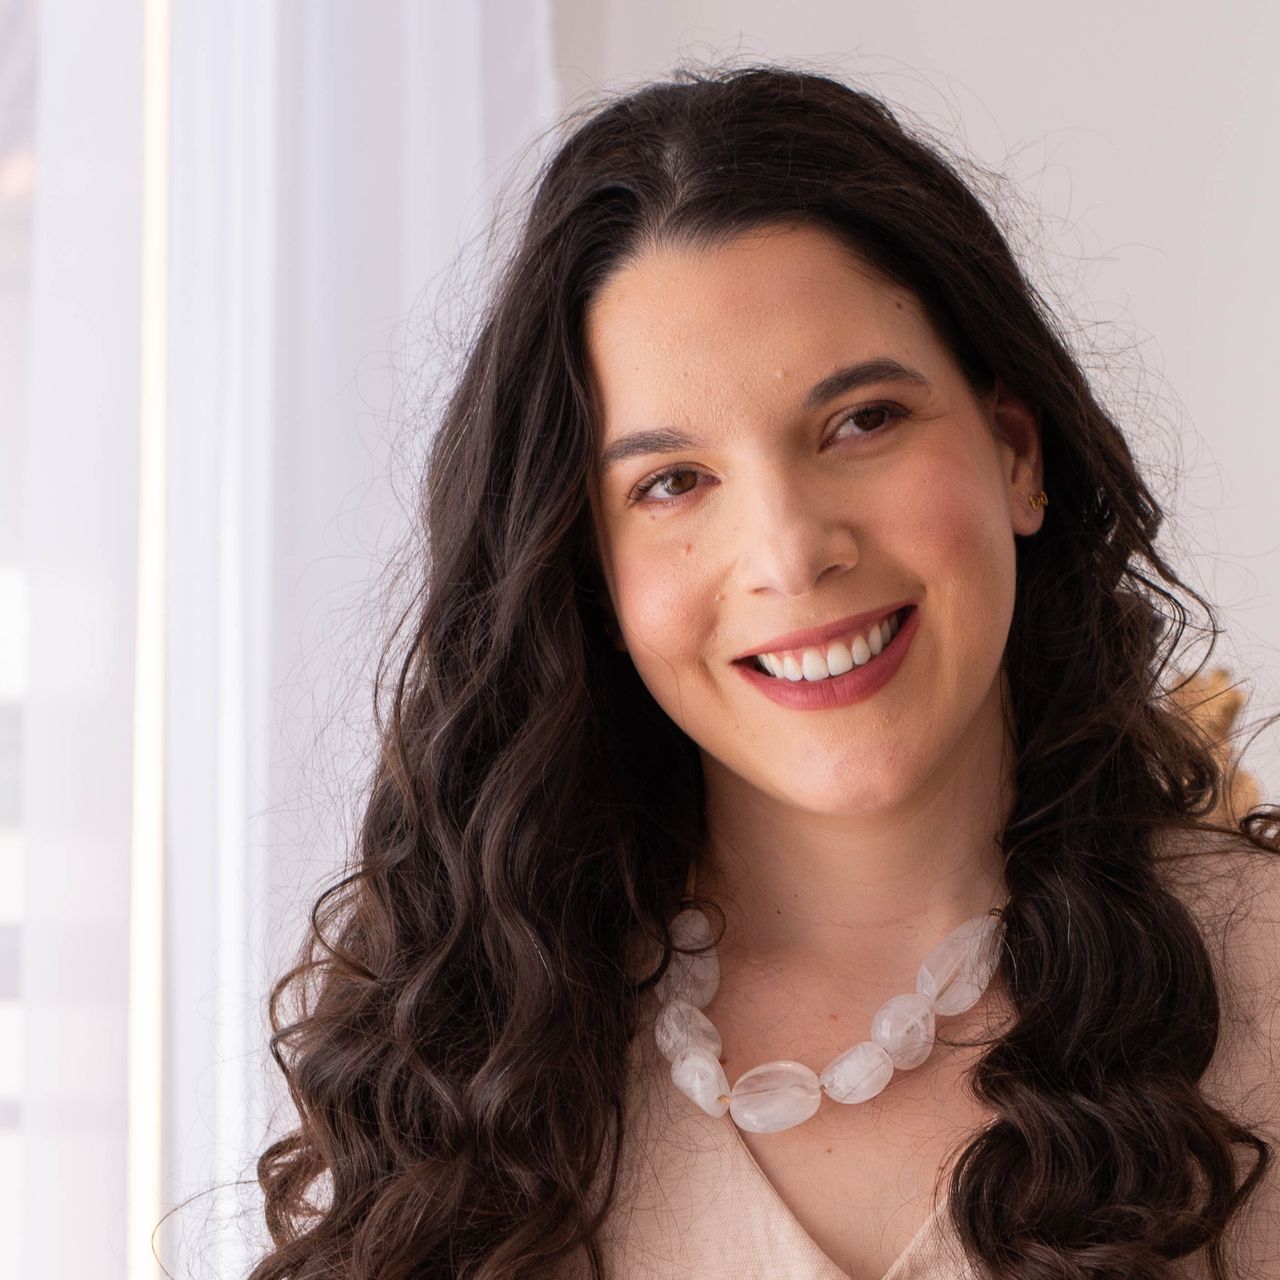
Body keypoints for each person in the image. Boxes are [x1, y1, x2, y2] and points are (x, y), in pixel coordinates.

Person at [247, 64, 1280, 1279]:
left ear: (1013, 451)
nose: (789, 552)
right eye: (671, 482)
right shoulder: (460, 1071)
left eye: (861, 421)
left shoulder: (1257, 971)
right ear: (590, 570)